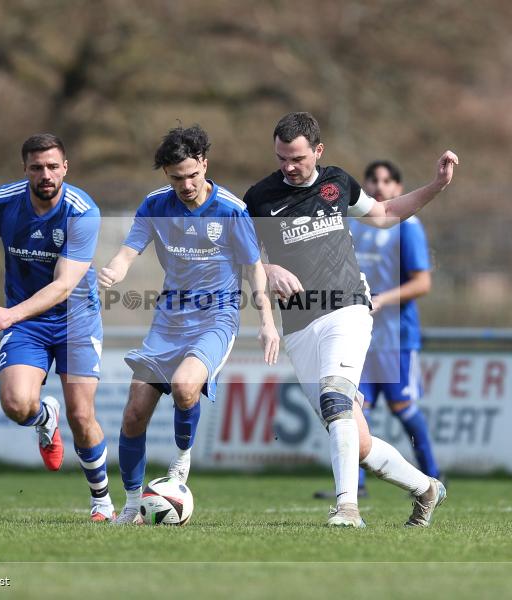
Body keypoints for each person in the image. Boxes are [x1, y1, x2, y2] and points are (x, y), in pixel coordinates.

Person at [244, 112, 457, 528]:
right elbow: (245, 259)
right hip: (300, 325)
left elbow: (383, 213)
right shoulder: (260, 198)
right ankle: (426, 489)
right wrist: (267, 275)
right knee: (355, 439)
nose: (288, 167)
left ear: (318, 152)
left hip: (348, 309)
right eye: (281, 158)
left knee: (335, 398)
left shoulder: (337, 183)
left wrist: (436, 186)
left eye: (298, 158)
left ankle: (347, 508)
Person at [98, 125, 279, 525]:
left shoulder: (231, 209)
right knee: (133, 413)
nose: (186, 184)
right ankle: (130, 507)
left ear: (204, 165)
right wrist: (114, 268)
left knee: (184, 387)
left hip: (218, 317)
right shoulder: (155, 205)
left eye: (192, 175)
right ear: (166, 173)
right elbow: (130, 250)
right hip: (168, 319)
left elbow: (253, 268)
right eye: (176, 177)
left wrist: (267, 321)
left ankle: (181, 461)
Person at [0, 133, 115, 522]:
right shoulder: (2, 202)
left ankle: (101, 500)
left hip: (76, 320)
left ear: (66, 167)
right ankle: (43, 419)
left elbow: (64, 285)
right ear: (25, 169)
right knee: (17, 405)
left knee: (82, 416)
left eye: (53, 166)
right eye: (37, 167)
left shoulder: (82, 211)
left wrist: (9, 314)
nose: (45, 174)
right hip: (28, 323)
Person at [314, 159, 442, 500]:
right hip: (359, 336)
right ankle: (353, 486)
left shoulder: (407, 226)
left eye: (387, 181)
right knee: (353, 409)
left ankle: (433, 477)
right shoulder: (353, 225)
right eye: (372, 180)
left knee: (403, 409)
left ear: (398, 189)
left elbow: (422, 283)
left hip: (395, 338)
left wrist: (384, 299)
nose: (379, 186)